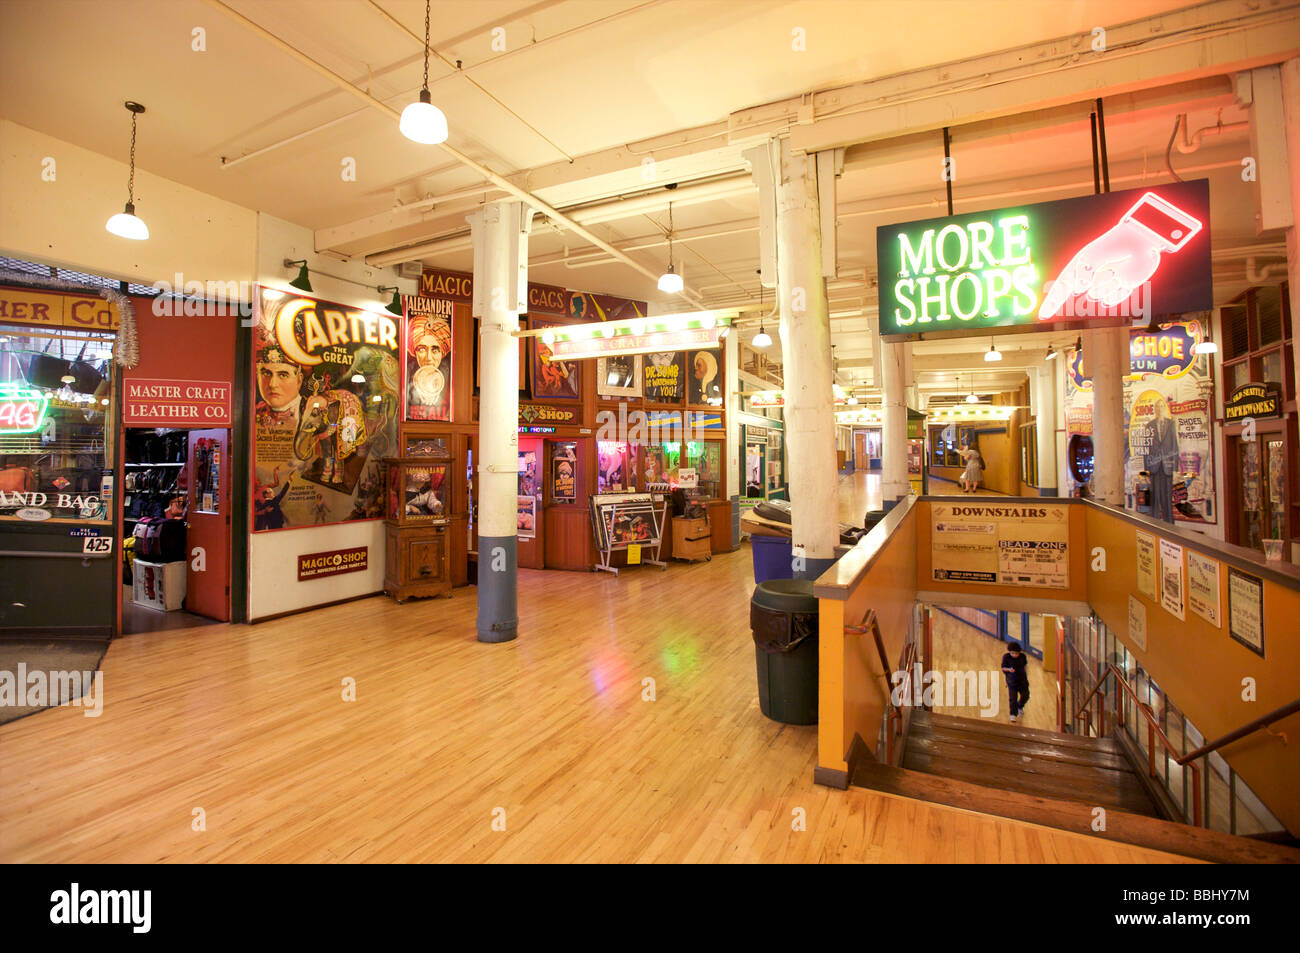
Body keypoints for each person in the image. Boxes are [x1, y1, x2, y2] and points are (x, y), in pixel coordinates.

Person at [1145, 400, 1179, 524]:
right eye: (1157, 406)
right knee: (1155, 498)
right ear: (1155, 409)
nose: (1159, 408)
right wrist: (1146, 470)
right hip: (1154, 466)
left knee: (1167, 498)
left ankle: (1169, 524)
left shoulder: (1171, 424)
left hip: (1167, 466)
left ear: (1165, 408)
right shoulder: (1149, 425)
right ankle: (1154, 524)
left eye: (1162, 406)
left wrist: (1175, 468)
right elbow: (1146, 449)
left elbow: (1174, 445)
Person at [255, 344, 304, 429]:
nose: (272, 384)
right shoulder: (254, 412)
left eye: (283, 375)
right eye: (266, 374)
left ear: (299, 381)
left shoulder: (308, 412)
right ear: (258, 377)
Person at [1001, 641, 1030, 723]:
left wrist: (1026, 675)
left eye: (1016, 653)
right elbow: (1003, 668)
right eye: (1012, 653)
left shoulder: (1023, 657)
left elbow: (1025, 666)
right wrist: (1009, 670)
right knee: (1013, 699)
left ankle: (1020, 706)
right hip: (1012, 682)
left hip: (1022, 681)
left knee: (1026, 696)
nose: (1014, 655)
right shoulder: (1006, 657)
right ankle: (1013, 714)